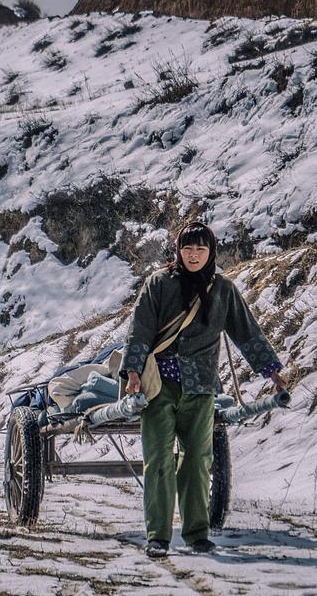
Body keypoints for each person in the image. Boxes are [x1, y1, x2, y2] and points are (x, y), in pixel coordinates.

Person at [120, 221, 287, 558]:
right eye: (187, 247)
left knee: (198, 459)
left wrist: (273, 373)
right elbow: (140, 329)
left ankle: (197, 533)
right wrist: (133, 372)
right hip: (158, 388)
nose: (193, 254)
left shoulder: (223, 290)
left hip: (201, 387)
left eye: (200, 248)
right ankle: (159, 536)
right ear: (178, 250)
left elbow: (247, 333)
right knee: (159, 461)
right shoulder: (159, 284)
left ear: (211, 251)